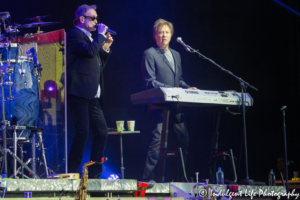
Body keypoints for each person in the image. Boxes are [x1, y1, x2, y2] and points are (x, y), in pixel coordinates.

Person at [141, 19, 198, 183]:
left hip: (176, 105)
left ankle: (180, 176)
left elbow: (178, 80)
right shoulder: (149, 53)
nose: (163, 35)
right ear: (155, 35)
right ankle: (148, 177)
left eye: (166, 32)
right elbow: (150, 81)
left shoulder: (176, 55)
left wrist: (187, 88)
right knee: (157, 140)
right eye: (160, 32)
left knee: (183, 139)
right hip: (159, 105)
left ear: (171, 35)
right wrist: (172, 89)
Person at [67, 4, 113, 178]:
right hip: (79, 92)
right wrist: (100, 36)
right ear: (81, 19)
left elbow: (97, 64)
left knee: (102, 131)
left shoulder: (91, 39)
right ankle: (71, 173)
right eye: (92, 18)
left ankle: (94, 175)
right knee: (82, 132)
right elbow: (89, 52)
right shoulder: (75, 35)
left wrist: (106, 46)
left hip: (92, 93)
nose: (96, 21)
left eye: (96, 18)